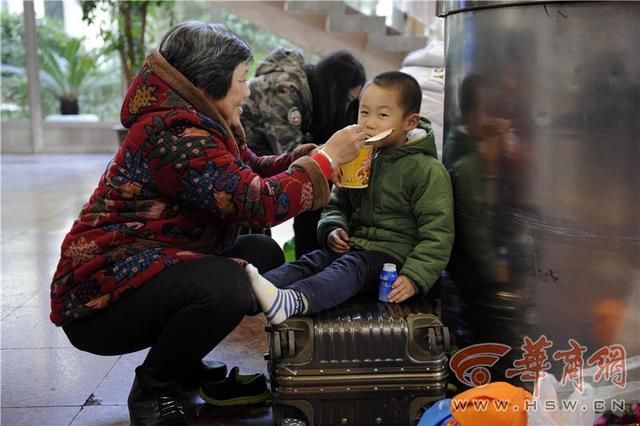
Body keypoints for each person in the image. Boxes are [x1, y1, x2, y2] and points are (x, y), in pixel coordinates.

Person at [49, 21, 367, 426]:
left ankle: (182, 365)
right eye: (241, 79)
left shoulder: (199, 119)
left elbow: (248, 170)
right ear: (212, 82)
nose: (247, 90)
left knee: (261, 253)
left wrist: (311, 155)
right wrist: (324, 161)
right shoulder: (173, 133)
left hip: (147, 266)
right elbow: (255, 201)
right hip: (98, 301)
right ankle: (154, 389)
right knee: (229, 286)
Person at [246, 71, 454, 325]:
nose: (369, 123)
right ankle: (251, 293)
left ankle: (294, 300)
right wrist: (333, 228)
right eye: (364, 113)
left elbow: (438, 234)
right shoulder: (360, 158)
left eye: (382, 115)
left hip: (394, 260)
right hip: (356, 246)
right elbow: (338, 203)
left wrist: (414, 276)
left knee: (349, 267)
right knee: (315, 260)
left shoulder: (427, 170)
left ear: (410, 122)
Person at [242, 48, 366, 258]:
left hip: (257, 165)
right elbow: (296, 164)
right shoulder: (283, 90)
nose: (346, 109)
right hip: (245, 170)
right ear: (334, 88)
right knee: (311, 183)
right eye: (346, 101)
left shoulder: (308, 91)